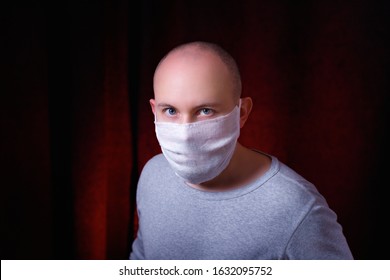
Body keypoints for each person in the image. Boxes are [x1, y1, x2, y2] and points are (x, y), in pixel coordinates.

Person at [130, 41, 353, 260]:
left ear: (242, 112)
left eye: (205, 110)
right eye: (170, 110)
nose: (186, 132)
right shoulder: (153, 174)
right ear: (154, 110)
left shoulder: (297, 208)